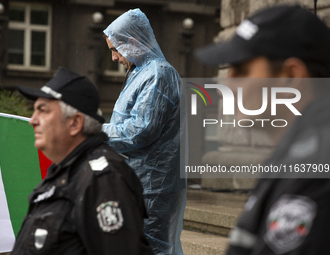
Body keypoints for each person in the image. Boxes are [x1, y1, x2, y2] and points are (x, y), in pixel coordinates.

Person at [196, 4, 330, 255]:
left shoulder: (315, 165)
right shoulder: (295, 154)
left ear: (290, 76)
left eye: (242, 70)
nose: (227, 84)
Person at [11, 67, 153, 255]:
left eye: (43, 111)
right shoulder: (65, 171)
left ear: (75, 123)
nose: (33, 120)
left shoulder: (103, 179)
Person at [102, 8, 187, 255]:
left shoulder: (159, 74)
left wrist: (97, 131)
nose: (114, 59)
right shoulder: (141, 72)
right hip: (140, 181)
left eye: (115, 50)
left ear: (132, 42)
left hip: (153, 185)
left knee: (152, 248)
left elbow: (141, 130)